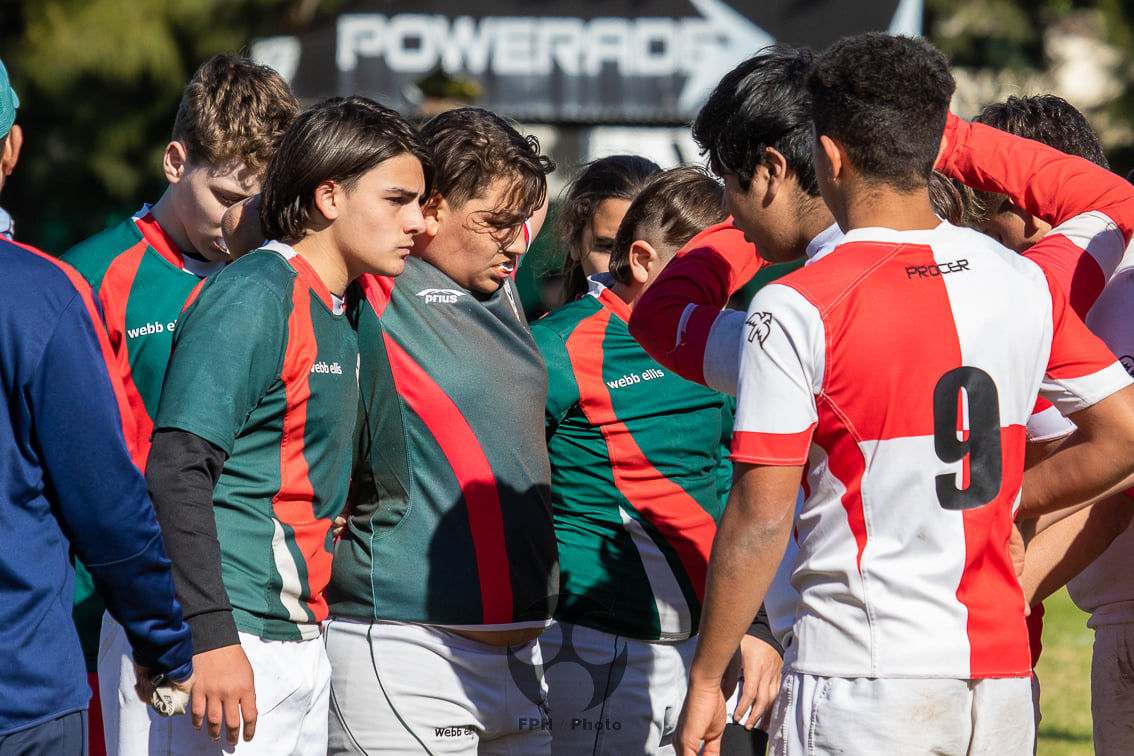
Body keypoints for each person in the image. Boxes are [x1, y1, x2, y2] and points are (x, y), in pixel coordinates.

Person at [675, 33, 1134, 756]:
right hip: (1000, 674)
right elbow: (1122, 437)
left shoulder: (796, 307)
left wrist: (706, 677)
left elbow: (760, 520)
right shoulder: (1023, 282)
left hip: (863, 672)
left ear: (825, 156)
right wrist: (1009, 498)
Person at [145, 96, 430, 755]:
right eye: (398, 199)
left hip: (302, 638)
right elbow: (177, 467)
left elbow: (382, 478)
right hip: (232, 639)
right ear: (329, 197)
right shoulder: (256, 293)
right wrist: (212, 637)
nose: (418, 221)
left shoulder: (348, 305)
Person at [59, 53, 298, 756]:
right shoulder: (92, 276)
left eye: (262, 200)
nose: (242, 217)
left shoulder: (291, 277)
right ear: (174, 162)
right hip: (114, 610)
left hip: (269, 606)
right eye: (226, 194)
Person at [322, 106, 557, 755]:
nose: (515, 243)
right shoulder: (369, 278)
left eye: (522, 223)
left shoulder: (499, 280)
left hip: (525, 651)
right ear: (428, 208)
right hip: (403, 643)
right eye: (495, 223)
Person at [532, 166, 780, 755]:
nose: (723, 295)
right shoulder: (555, 347)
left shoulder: (721, 339)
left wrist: (751, 624)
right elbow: (502, 493)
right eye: (705, 275)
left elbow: (730, 482)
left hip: (704, 647)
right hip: (592, 642)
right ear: (642, 260)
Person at [0, 53, 195, 756]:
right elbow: (106, 502)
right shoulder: (43, 294)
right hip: (20, 696)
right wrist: (165, 641)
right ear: (12, 146)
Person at [555, 154, 660, 303]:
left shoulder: (698, 325)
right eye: (609, 247)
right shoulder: (551, 327)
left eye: (644, 253)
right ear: (574, 240)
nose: (629, 267)